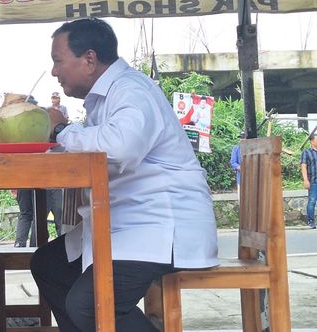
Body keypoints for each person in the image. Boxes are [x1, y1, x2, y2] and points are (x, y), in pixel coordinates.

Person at [32, 18, 218, 332]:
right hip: (126, 221)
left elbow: (118, 149)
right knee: (49, 266)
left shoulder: (131, 89)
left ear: (89, 59)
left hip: (159, 225)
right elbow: (95, 150)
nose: (54, 71)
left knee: (89, 306)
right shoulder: (105, 97)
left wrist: (62, 129)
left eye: (58, 61)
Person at [300, 131, 317, 229]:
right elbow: (303, 166)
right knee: (312, 201)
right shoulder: (306, 152)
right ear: (312, 141)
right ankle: (311, 222)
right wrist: (306, 180)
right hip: (313, 181)